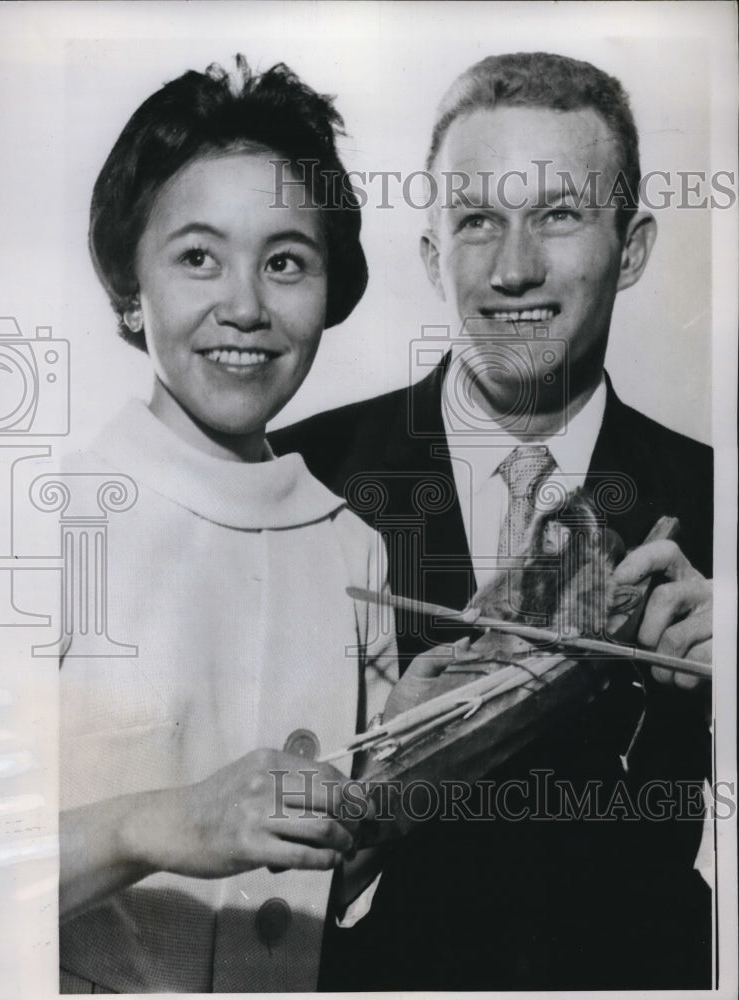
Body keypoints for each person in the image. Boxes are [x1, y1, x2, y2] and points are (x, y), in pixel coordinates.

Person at [272, 51, 713, 990]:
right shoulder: (296, 476)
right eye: (477, 222)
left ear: (630, 247)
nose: (514, 270)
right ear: (433, 256)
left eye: (557, 215)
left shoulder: (716, 499)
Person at [58, 55, 426, 993]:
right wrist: (159, 823)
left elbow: (345, 880)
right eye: (197, 257)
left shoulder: (354, 547)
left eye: (285, 262)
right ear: (128, 292)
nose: (246, 307)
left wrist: (410, 765)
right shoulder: (45, 523)